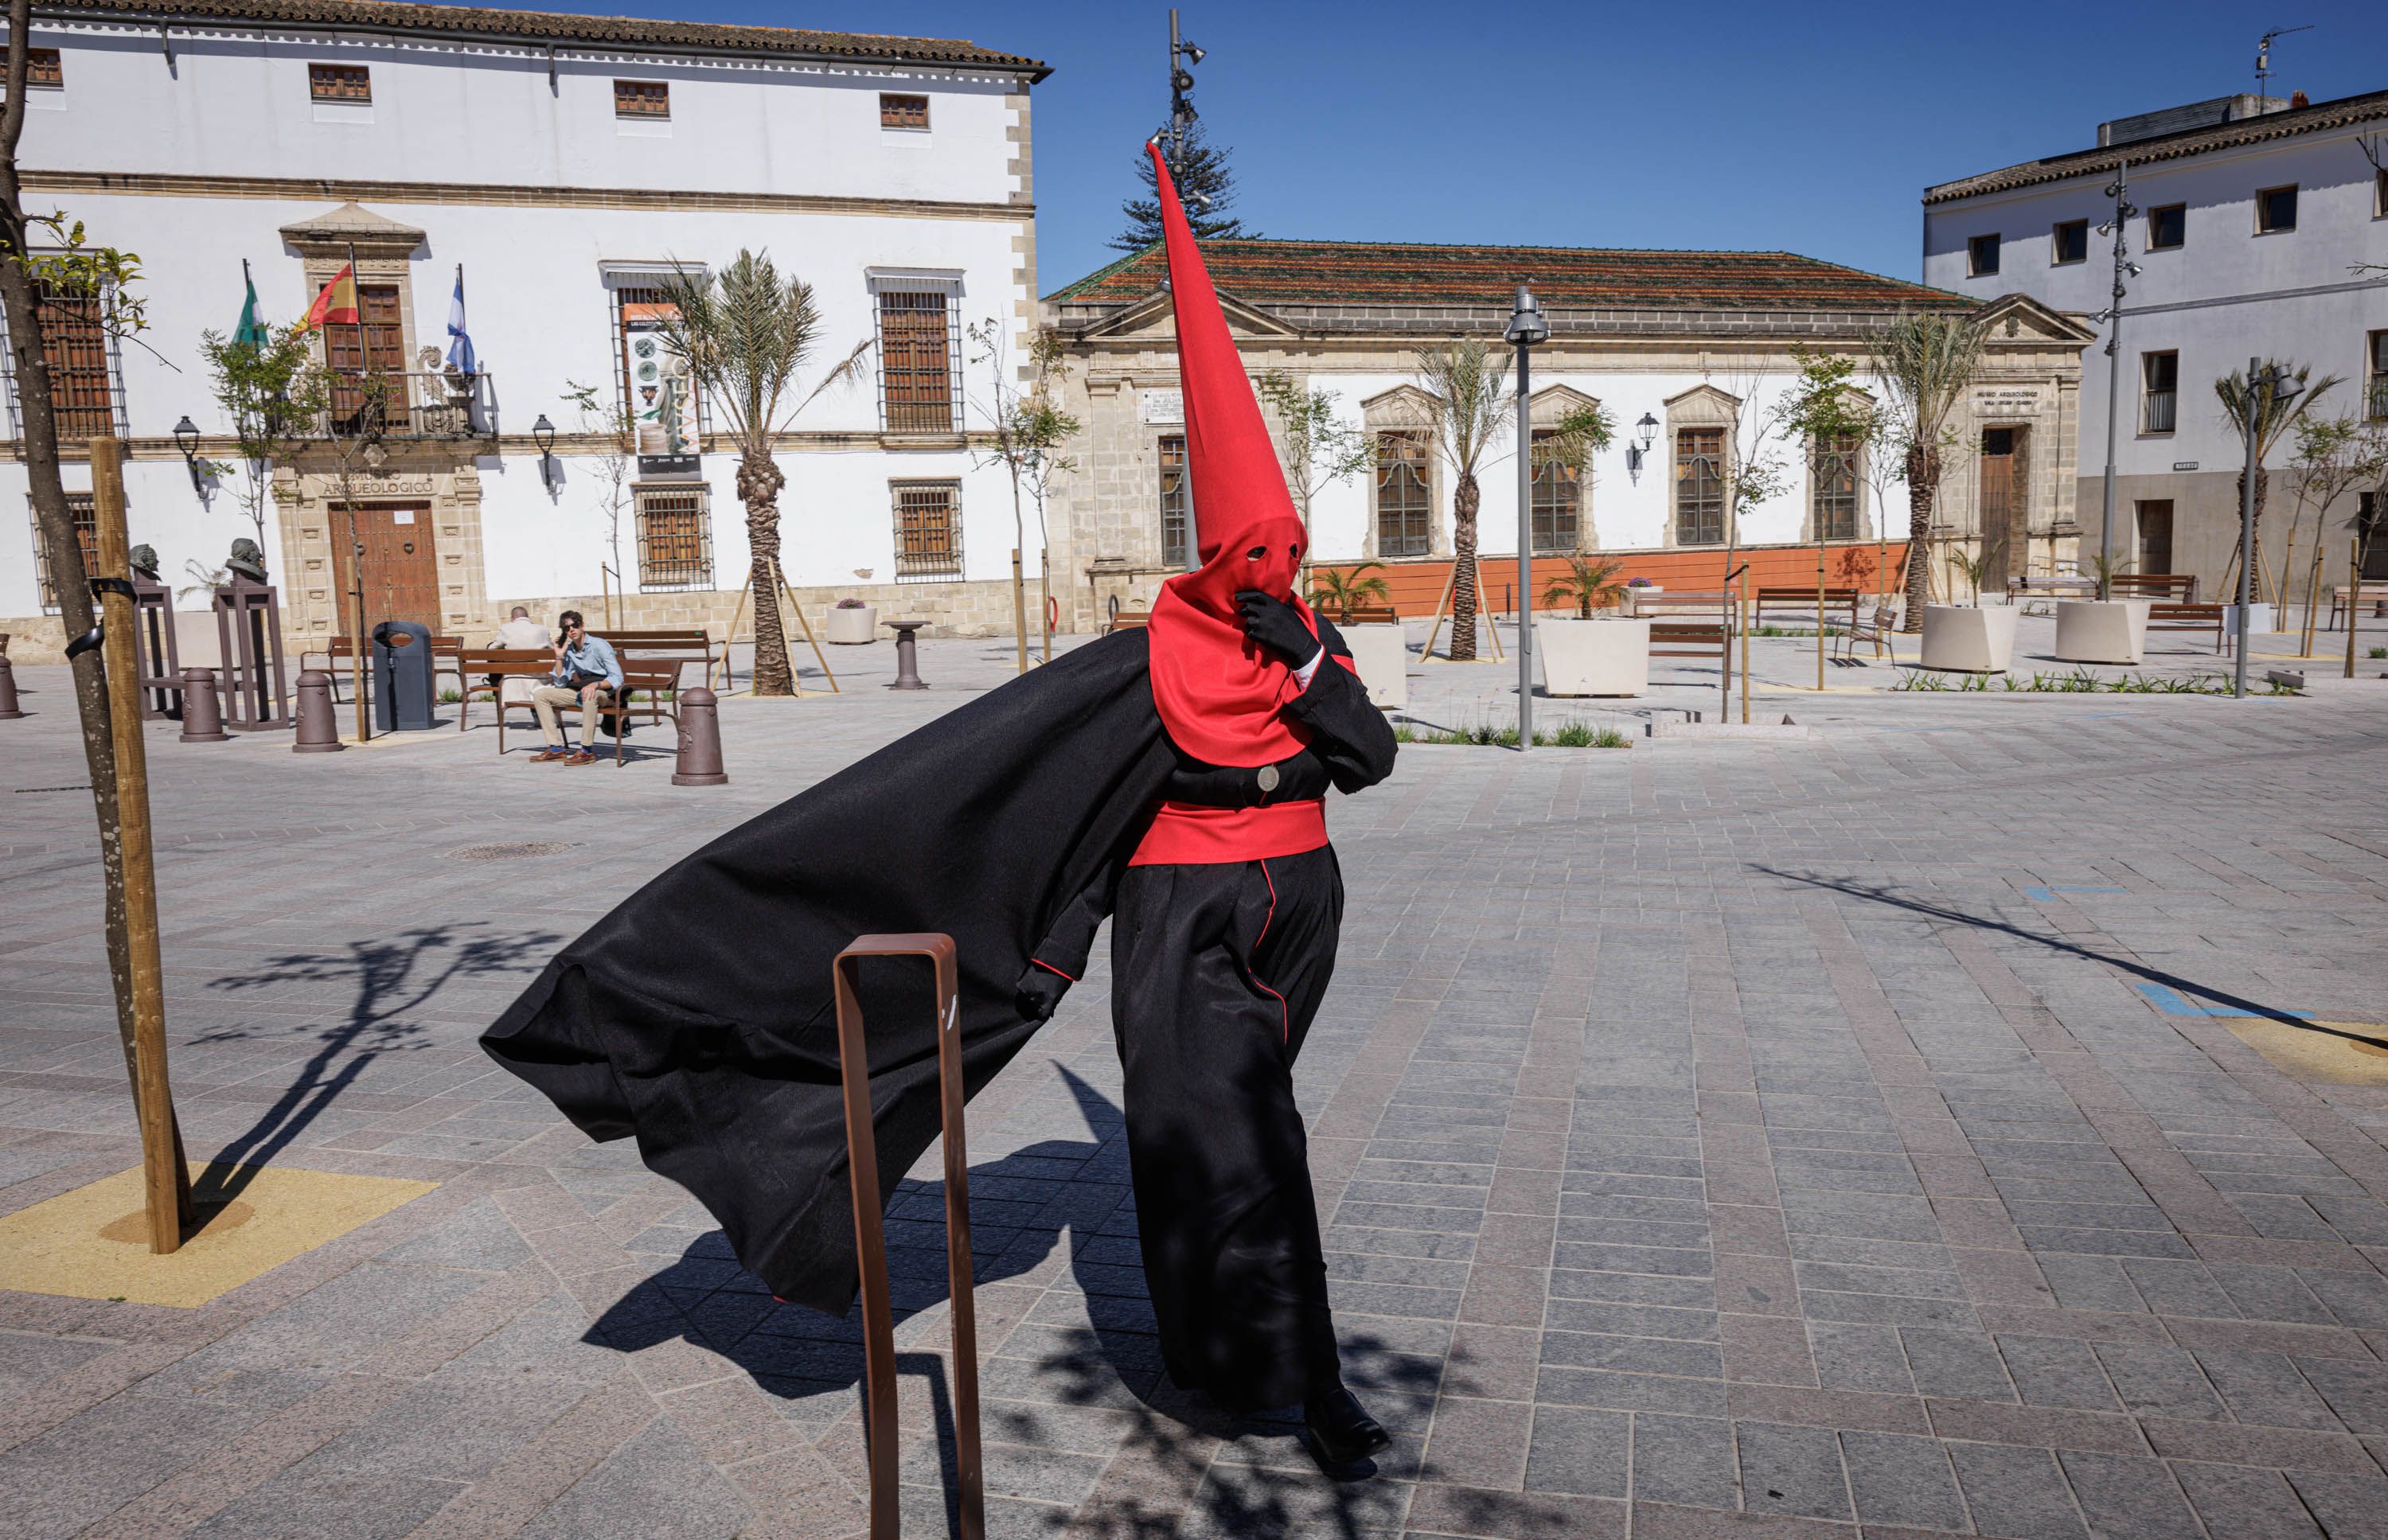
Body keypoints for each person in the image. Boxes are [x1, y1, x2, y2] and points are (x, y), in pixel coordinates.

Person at [479, 144, 1397, 1475]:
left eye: (1287, 550)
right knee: (1244, 1137)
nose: (1275, 567)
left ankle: (1261, 1359)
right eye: (1251, 554)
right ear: (1210, 557)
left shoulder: (1309, 640)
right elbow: (965, 788)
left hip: (1295, 917)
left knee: (1238, 1135)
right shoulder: (1140, 669)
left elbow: (1365, 758)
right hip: (1187, 930)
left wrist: (1306, 658)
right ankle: (1297, 1379)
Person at [528, 610, 618, 766]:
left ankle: (586, 751)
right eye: (566, 628)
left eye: (574, 625)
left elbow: (617, 677)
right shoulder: (569, 649)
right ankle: (556, 749)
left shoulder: (599, 645)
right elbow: (560, 684)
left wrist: (595, 685)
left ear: (582, 625)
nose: (571, 630)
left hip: (606, 691)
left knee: (589, 695)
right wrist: (559, 656)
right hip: (583, 690)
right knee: (541, 695)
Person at [489, 606, 551, 709]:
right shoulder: (543, 629)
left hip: (513, 678)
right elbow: (552, 649)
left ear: (512, 619)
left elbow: (491, 648)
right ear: (528, 618)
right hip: (539, 677)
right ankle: (539, 713)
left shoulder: (506, 628)